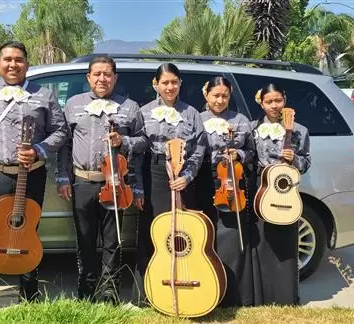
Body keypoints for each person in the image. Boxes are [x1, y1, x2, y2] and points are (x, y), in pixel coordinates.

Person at [0, 41, 69, 309]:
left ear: (27, 64)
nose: (13, 64)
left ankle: (29, 292)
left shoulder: (44, 95)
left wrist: (39, 150)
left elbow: (61, 131)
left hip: (32, 174)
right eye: (7, 59)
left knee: (28, 228)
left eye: (19, 59)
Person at [56, 55, 147, 304]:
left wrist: (123, 141)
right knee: (85, 239)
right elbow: (64, 144)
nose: (102, 79)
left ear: (115, 78)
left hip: (116, 182)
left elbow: (142, 142)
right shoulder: (73, 104)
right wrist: (63, 177)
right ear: (88, 77)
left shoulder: (129, 106)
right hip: (82, 181)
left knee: (112, 240)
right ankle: (86, 291)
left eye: (107, 74)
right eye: (97, 74)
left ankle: (110, 292)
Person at [133, 63, 206, 306]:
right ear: (155, 84)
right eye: (164, 82)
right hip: (153, 172)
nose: (170, 87)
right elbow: (137, 153)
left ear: (180, 84)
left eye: (174, 82)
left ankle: (183, 286)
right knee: (151, 232)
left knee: (183, 233)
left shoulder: (192, 113)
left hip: (183, 177)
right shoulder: (143, 113)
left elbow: (199, 149)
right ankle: (148, 292)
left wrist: (188, 176)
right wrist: (138, 187)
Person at [242, 83, 311, 306]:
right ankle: (260, 295)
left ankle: (285, 295)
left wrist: (295, 160)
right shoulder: (252, 128)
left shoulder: (298, 130)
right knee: (260, 240)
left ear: (285, 99)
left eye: (278, 100)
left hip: (285, 192)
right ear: (260, 103)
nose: (274, 105)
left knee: (284, 242)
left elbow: (306, 161)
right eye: (269, 101)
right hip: (259, 190)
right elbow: (247, 156)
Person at [194, 76, 253, 307]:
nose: (220, 100)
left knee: (229, 236)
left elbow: (251, 151)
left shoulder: (240, 120)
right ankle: (206, 286)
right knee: (204, 235)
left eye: (225, 96)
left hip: (231, 182)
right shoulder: (196, 119)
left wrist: (239, 155)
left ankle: (231, 292)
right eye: (215, 95)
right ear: (206, 95)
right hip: (201, 181)